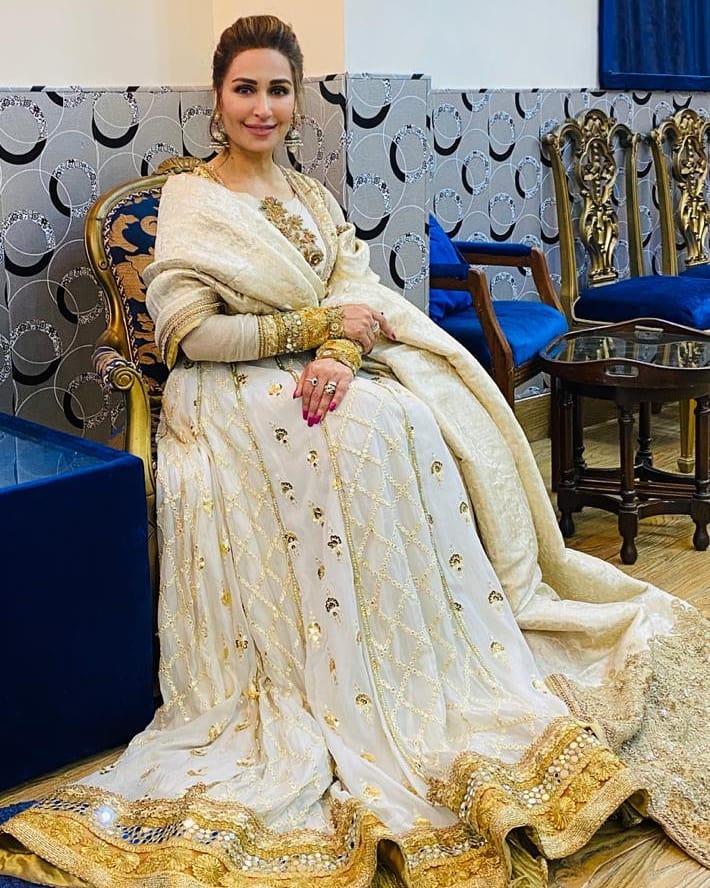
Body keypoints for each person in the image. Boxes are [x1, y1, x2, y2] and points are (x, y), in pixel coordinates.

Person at [0, 15, 707, 888]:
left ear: (298, 100)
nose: (263, 106)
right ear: (218, 100)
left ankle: (428, 661)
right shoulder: (190, 201)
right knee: (354, 434)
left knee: (406, 416)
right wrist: (318, 330)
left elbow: (357, 293)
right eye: (245, 88)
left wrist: (339, 351)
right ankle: (340, 680)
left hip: (318, 365)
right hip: (227, 388)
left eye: (279, 89)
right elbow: (191, 336)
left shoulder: (310, 196)